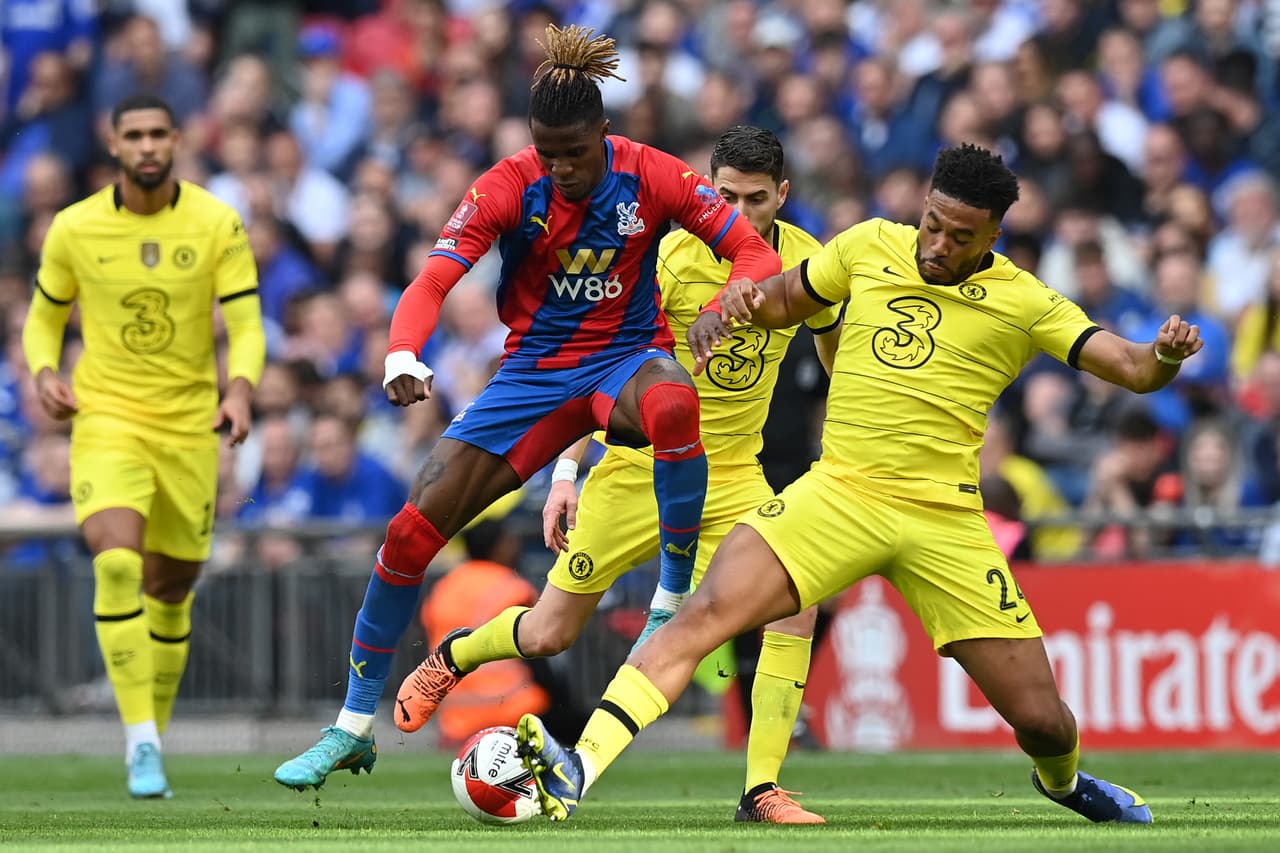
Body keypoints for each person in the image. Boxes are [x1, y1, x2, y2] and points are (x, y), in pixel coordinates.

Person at [515, 143, 1205, 825]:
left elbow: (1131, 367)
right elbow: (787, 298)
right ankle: (580, 766)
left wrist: (1164, 356)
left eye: (960, 237)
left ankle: (1064, 782)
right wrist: (741, 302)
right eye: (932, 222)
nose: (936, 244)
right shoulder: (869, 244)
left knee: (1042, 719)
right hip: (838, 493)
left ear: (993, 235)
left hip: (944, 519)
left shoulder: (1023, 299)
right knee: (705, 615)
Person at [272, 25, 780, 791]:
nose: (561, 168)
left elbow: (756, 251)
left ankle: (672, 595)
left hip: (622, 365)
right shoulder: (508, 185)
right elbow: (432, 281)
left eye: (573, 152)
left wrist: (723, 298)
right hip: (534, 380)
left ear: (602, 135)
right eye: (548, 152)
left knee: (675, 399)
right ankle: (349, 728)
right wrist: (403, 352)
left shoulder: (654, 175)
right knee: (411, 532)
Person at [392, 126, 841, 823]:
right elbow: (592, 361)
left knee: (796, 601)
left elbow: (834, 343)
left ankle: (762, 789)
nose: (743, 213)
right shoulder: (666, 253)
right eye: (727, 196)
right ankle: (456, 653)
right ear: (708, 187)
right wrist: (566, 472)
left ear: (782, 195)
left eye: (758, 199)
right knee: (548, 631)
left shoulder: (809, 263)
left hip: (734, 478)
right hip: (636, 470)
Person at [21, 93, 265, 798]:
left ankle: (149, 737)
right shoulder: (74, 227)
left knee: (170, 590)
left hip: (190, 427)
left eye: (160, 133)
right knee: (119, 564)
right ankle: (141, 744)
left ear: (178, 139)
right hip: (106, 419)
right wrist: (43, 371)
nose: (149, 145)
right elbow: (43, 322)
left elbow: (246, 324)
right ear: (115, 142)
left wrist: (241, 388)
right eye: (136, 135)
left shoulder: (217, 222)